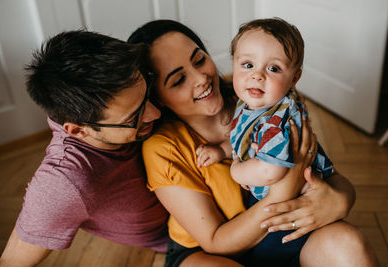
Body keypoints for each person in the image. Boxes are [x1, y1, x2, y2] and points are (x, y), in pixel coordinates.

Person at [128, 19, 378, 266]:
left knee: (348, 246)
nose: (201, 78)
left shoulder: (262, 100)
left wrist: (340, 201)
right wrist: (282, 191)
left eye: (199, 60)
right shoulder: (162, 148)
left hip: (280, 235)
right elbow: (215, 241)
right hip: (211, 252)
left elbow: (325, 171)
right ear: (156, 97)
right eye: (178, 79)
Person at [0, 30, 169, 266]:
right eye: (135, 116)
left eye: (147, 88)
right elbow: (10, 262)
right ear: (79, 131)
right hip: (181, 237)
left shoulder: (123, 89)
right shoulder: (64, 183)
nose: (155, 113)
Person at [197, 18, 334, 201]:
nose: (257, 75)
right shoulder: (250, 103)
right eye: (248, 65)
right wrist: (222, 151)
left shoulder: (276, 122)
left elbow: (269, 171)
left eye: (273, 68)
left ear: (294, 79)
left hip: (297, 200)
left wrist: (236, 169)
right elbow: (246, 137)